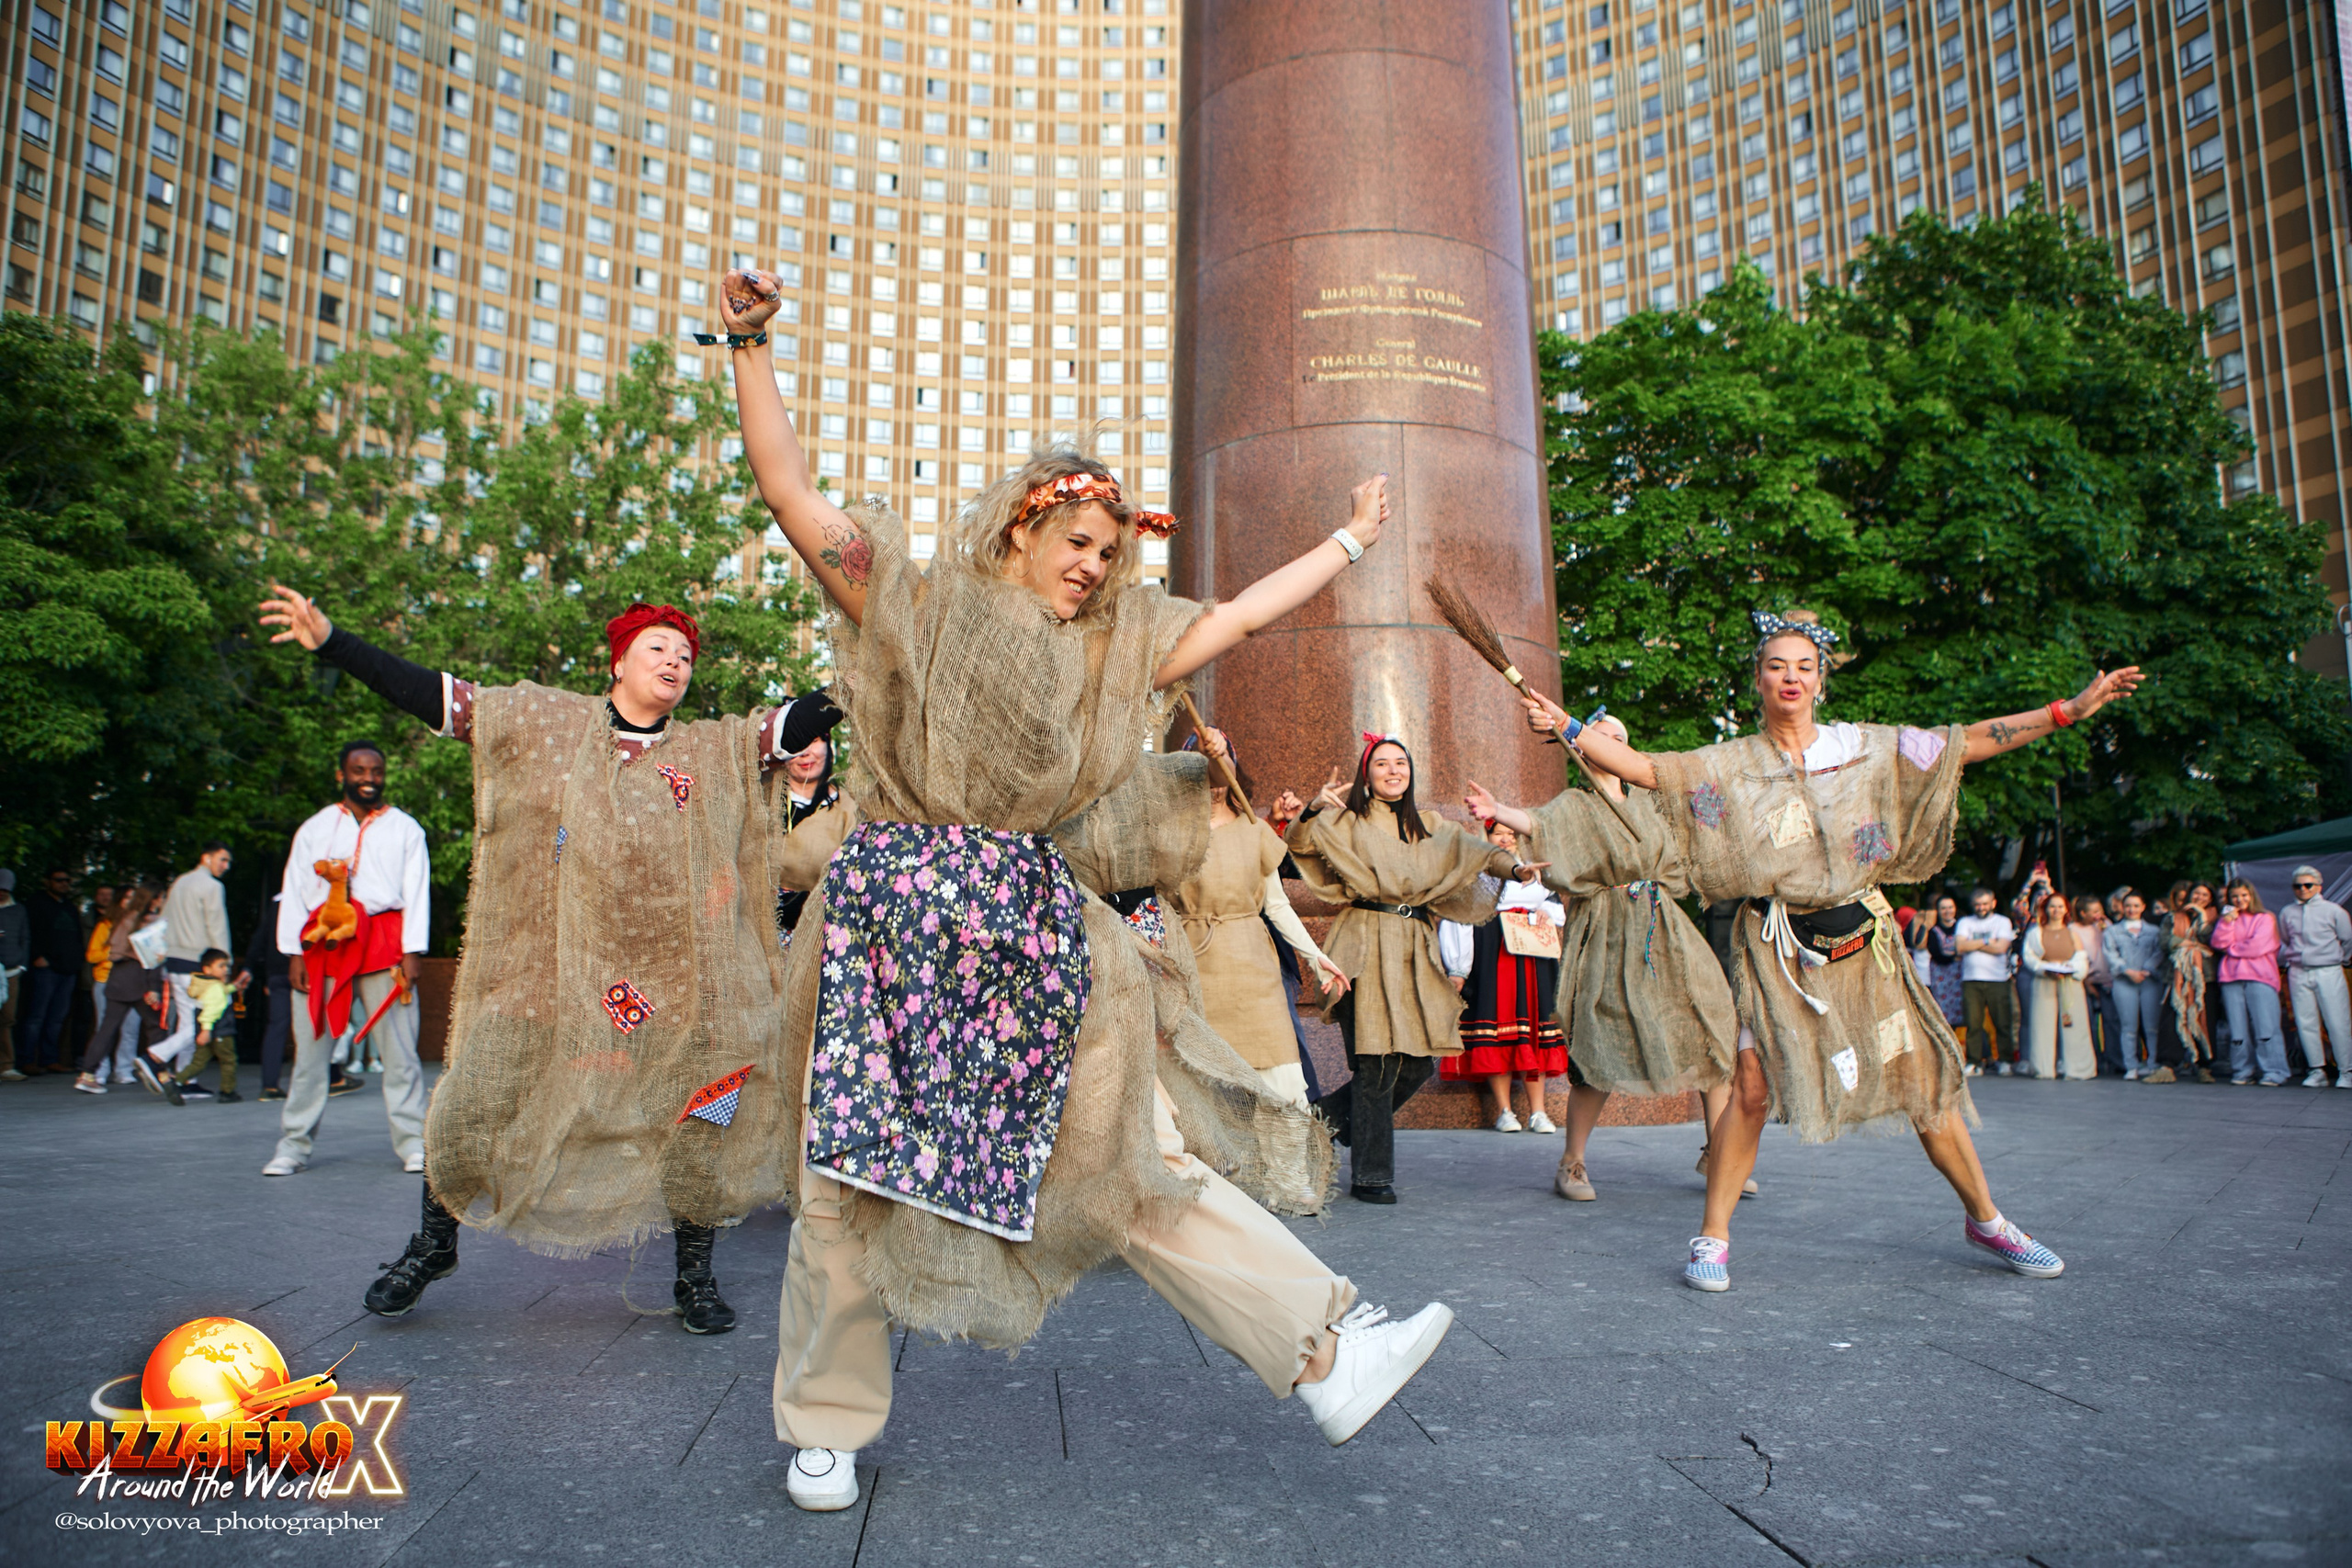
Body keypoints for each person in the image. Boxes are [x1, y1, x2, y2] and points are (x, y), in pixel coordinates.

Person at [719, 265, 1456, 1512]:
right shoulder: (914, 600)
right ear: (1020, 524)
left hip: (1026, 927)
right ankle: (825, 1424)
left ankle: (1326, 1357)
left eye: (1111, 552)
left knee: (1128, 1160)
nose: (1094, 565)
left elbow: (1232, 620)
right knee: (845, 1169)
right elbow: (790, 491)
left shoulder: (1111, 647)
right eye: (1078, 542)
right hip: (898, 916)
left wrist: (1347, 542)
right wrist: (746, 345)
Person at [258, 581, 844, 1337]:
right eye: (657, 648)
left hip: (675, 985)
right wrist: (335, 641)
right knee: (469, 1103)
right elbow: (439, 697)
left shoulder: (709, 748)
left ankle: (694, 1275)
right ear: (618, 665)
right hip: (548, 973)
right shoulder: (546, 724)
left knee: (703, 1114)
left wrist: (867, 664)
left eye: (686, 654)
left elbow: (795, 720)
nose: (675, 661)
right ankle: (433, 1246)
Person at [1521, 609, 2143, 1292]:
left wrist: (2068, 710)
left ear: (1821, 681)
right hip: (1775, 944)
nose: (1791, 676)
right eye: (1776, 665)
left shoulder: (1865, 747)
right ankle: (1713, 1236)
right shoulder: (1728, 763)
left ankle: (1987, 1219)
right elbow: (1645, 768)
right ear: (1757, 680)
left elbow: (1963, 744)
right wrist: (1570, 726)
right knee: (1750, 1089)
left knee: (1926, 1085)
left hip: (1865, 942)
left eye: (1804, 666)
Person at [1460, 716, 1739, 1206]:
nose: (1609, 744)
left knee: (1710, 1033)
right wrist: (1498, 808)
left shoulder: (1652, 802)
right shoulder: (1577, 804)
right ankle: (1572, 1160)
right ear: (1581, 747)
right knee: (1600, 1045)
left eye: (1620, 739)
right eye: (1600, 736)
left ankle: (1720, 1153)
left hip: (1665, 928)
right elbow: (1538, 823)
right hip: (1609, 929)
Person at [1287, 735, 1532, 1202]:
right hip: (1363, 942)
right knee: (1374, 1062)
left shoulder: (1433, 827)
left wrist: (1516, 870)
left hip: (1415, 948)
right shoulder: (1345, 820)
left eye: (1401, 762)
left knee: (1419, 1061)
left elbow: (1479, 854)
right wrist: (1313, 809)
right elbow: (1298, 845)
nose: (1393, 770)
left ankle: (1319, 1123)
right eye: (1382, 763)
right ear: (1368, 773)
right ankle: (1372, 1178)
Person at [263, 740, 434, 1177]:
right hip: (325, 944)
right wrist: (293, 953)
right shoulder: (315, 828)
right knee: (309, 1054)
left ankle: (414, 1143)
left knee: (400, 1053)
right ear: (342, 775)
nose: (368, 779)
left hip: (384, 944)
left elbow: (417, 892)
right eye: (359, 771)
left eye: (375, 772)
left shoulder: (405, 828)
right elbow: (294, 891)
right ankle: (292, 1146)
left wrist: (413, 952)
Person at [1162, 728, 1349, 1111]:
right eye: (1200, 763)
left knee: (1282, 1081)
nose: (1212, 777)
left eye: (1219, 760)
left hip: (1254, 968)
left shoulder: (1253, 829)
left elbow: (1278, 906)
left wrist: (1317, 957)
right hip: (1194, 965)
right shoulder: (1171, 834)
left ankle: (1290, 1170)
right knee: (1201, 1087)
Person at [1438, 819, 1568, 1133]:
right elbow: (1459, 919)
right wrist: (1458, 967)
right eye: (1500, 834)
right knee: (1495, 1028)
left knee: (1534, 1031)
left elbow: (1557, 911)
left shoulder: (1535, 872)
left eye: (1512, 834)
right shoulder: (1476, 872)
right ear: (1487, 836)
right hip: (1491, 954)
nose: (1507, 840)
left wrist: (1544, 914)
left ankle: (1538, 1112)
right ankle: (1505, 1110)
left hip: (1532, 957)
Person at [139, 843, 232, 1096]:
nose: (226, 866)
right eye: (222, 860)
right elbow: (217, 927)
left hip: (174, 961)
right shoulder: (213, 887)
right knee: (199, 1023)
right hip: (198, 963)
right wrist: (224, 965)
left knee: (185, 1022)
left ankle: (185, 1081)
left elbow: (163, 921)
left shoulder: (179, 882)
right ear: (206, 857)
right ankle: (155, 1057)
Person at [75, 886, 160, 1095]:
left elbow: (114, 950)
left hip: (117, 978)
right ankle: (159, 1071)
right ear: (152, 900)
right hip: (136, 978)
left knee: (107, 1028)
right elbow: (152, 958)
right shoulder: (145, 922)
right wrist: (153, 986)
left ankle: (88, 1074)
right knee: (156, 1026)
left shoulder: (121, 920)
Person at [2278, 865, 2352, 1088]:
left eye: (2307, 885)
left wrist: (2340, 959)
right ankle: (2316, 1069)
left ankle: (2346, 1070)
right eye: (2297, 886)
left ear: (2318, 886)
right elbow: (2285, 938)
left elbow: (2347, 939)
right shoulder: (2287, 912)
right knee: (2305, 1021)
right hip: (2299, 971)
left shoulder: (2334, 911)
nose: (2302, 889)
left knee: (2338, 1021)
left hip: (2328, 969)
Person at [2212, 879, 2287, 1086]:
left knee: (2266, 1026)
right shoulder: (2227, 919)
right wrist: (2227, 922)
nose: (2240, 900)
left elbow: (2257, 946)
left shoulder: (2265, 918)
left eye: (2244, 895)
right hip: (2231, 978)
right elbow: (2218, 942)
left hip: (2260, 976)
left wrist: (2232, 949)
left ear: (2251, 895)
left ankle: (2274, 1071)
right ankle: (2242, 1070)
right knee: (2237, 1028)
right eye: (2235, 896)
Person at [775, 734, 845, 942]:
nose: (805, 753)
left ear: (827, 746)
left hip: (823, 936)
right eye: (797, 743)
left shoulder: (849, 809)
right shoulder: (760, 803)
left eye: (814, 741)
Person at [17, 868, 85, 1076]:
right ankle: (26, 1060)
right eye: (59, 880)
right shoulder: (35, 904)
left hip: (68, 969)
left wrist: (76, 962)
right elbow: (26, 933)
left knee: (57, 1018)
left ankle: (50, 1059)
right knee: (36, 1016)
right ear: (47, 882)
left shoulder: (70, 907)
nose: (64, 884)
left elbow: (77, 937)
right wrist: (36, 956)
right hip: (45, 968)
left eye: (67, 880)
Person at [2021, 891, 2093, 1080]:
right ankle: (2043, 1068)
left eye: (2060, 906)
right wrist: (2045, 968)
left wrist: (2071, 969)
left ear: (2066, 909)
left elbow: (2081, 957)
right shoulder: (2035, 933)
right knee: (2042, 1024)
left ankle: (2078, 1069)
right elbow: (2030, 957)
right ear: (2046, 909)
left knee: (2074, 1024)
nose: (2056, 910)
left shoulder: (2072, 933)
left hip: (2069, 982)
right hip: (2045, 980)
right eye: (2052, 906)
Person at [2152, 884, 2214, 1085]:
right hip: (2177, 977)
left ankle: (2204, 1066)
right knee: (2171, 1019)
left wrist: (2202, 920)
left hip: (2204, 978)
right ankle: (2167, 1066)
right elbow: (2164, 941)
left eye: (2205, 894)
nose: (2200, 897)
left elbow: (2214, 941)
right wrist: (2186, 943)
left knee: (2204, 1019)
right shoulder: (2172, 917)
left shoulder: (2216, 918)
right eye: (2197, 893)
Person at [1954, 887, 2017, 1077]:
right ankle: (1974, 1062)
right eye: (1977, 905)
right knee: (1973, 1023)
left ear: (1993, 903)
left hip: (1997, 979)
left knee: (2002, 1022)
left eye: (1985, 904)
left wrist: (1973, 944)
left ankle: (2005, 1061)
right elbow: (1960, 946)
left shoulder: (2002, 922)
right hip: (1971, 979)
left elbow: (2001, 948)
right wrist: (1988, 941)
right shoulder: (1965, 922)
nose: (1981, 908)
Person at [2102, 893, 2165, 1079]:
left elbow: (2160, 951)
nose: (2132, 909)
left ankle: (2154, 1062)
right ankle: (2131, 1065)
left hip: (2150, 980)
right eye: (2128, 905)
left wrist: (2147, 969)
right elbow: (2110, 954)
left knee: (2152, 1025)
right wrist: (2126, 970)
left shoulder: (2154, 931)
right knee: (2128, 1025)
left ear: (2143, 907)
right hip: (2124, 981)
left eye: (2136, 905)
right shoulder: (2112, 931)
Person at [2073, 893, 2119, 1077]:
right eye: (2094, 911)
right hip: (2086, 979)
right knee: (2089, 1023)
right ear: (2083, 913)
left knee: (2112, 1021)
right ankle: (2094, 1061)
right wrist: (2087, 983)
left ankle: (2116, 1060)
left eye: (2099, 910)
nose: (2098, 914)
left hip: (2107, 979)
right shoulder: (2073, 929)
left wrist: (2106, 928)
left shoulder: (2106, 926)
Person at [0, 870, 24, 1081]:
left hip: (11, 970)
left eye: (5, 890)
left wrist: (22, 963)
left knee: (8, 1018)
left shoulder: (18, 910)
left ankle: (7, 1065)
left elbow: (26, 937)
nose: (1, 893)